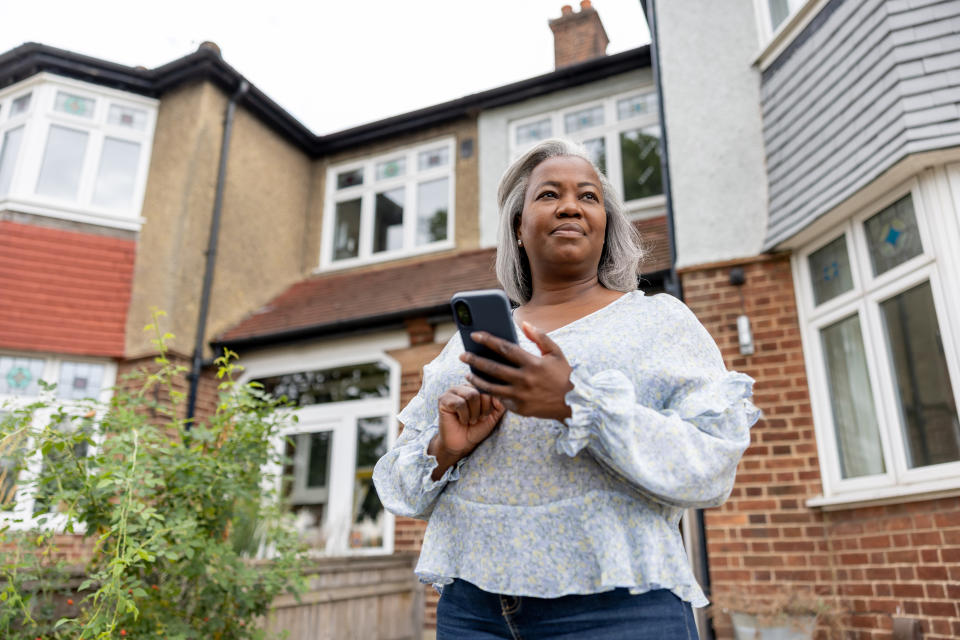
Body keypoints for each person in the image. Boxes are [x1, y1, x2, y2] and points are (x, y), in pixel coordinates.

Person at [372, 138, 760, 639]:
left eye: (589, 196)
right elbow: (402, 490)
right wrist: (444, 449)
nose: (571, 205)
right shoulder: (465, 345)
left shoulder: (659, 322)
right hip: (474, 610)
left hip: (617, 606)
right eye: (549, 194)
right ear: (517, 227)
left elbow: (711, 466)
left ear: (606, 226)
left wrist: (575, 403)